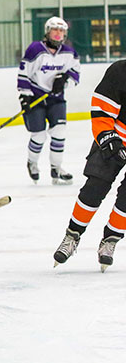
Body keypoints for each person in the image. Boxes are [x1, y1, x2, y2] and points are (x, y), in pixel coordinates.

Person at [53, 60, 126, 272]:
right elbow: (102, 108)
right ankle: (72, 235)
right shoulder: (120, 71)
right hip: (115, 139)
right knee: (94, 188)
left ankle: (110, 239)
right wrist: (108, 137)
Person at [18, 16, 80, 185]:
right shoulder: (35, 49)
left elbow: (76, 74)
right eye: (55, 30)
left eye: (61, 31)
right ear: (48, 32)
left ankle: (56, 168)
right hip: (36, 98)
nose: (58, 33)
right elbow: (24, 72)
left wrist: (64, 81)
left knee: (59, 132)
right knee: (39, 136)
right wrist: (25, 96)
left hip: (56, 99)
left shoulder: (69, 53)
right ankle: (32, 162)